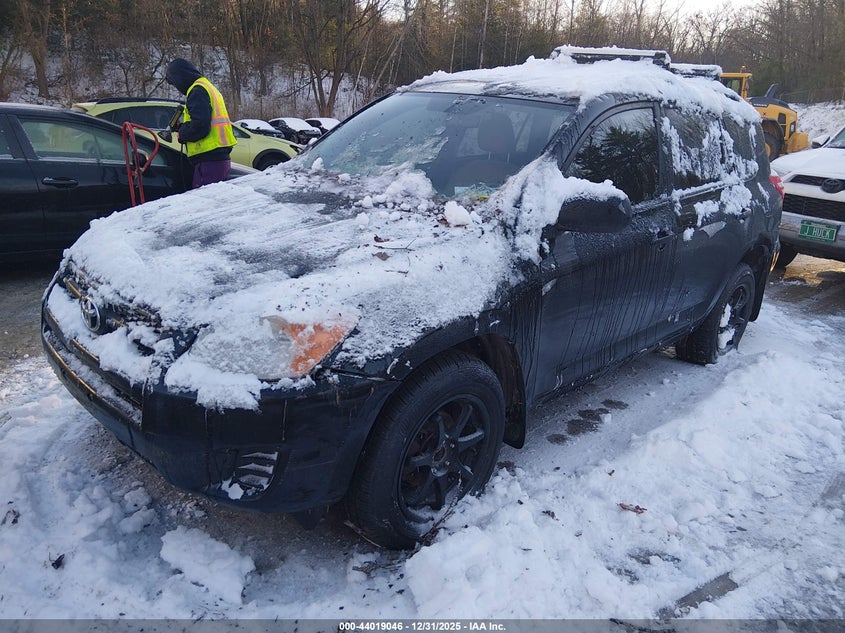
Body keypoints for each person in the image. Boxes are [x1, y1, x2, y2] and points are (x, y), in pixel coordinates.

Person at [165, 58, 236, 188]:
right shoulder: (207, 87)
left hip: (209, 160)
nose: (177, 87)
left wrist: (183, 133)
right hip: (217, 157)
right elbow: (203, 121)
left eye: (175, 83)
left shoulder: (197, 91)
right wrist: (182, 127)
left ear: (180, 77)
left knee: (208, 204)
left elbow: (201, 126)